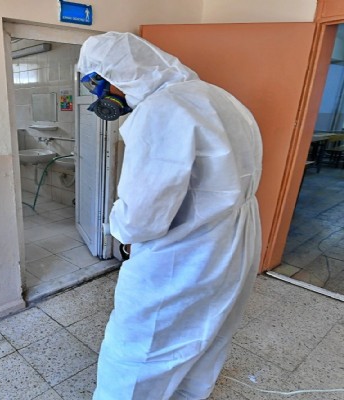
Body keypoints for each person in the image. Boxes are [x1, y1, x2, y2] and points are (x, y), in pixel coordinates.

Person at [77, 32, 262, 399]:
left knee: (139, 349)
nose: (102, 94)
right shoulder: (221, 97)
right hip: (237, 238)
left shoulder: (160, 111)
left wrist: (117, 227)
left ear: (122, 72)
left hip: (185, 251)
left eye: (100, 82)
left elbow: (141, 217)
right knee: (208, 332)